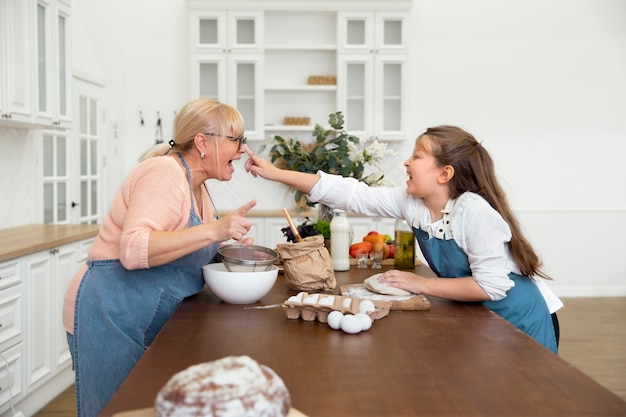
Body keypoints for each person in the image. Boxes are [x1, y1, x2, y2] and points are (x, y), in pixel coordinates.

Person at [245, 125, 562, 354]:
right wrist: (275, 173)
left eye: (417, 156)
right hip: (480, 315)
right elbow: (354, 194)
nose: (406, 163)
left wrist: (418, 283)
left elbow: (490, 286)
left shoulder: (473, 212)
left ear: (444, 173)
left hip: (519, 318)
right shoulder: (415, 204)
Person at [63, 99, 257, 417]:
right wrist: (214, 231)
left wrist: (230, 247)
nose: (242, 150)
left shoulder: (199, 188)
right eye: (236, 139)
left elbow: (180, 246)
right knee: (116, 410)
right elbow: (134, 248)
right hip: (109, 311)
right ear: (202, 142)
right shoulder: (165, 174)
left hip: (142, 315)